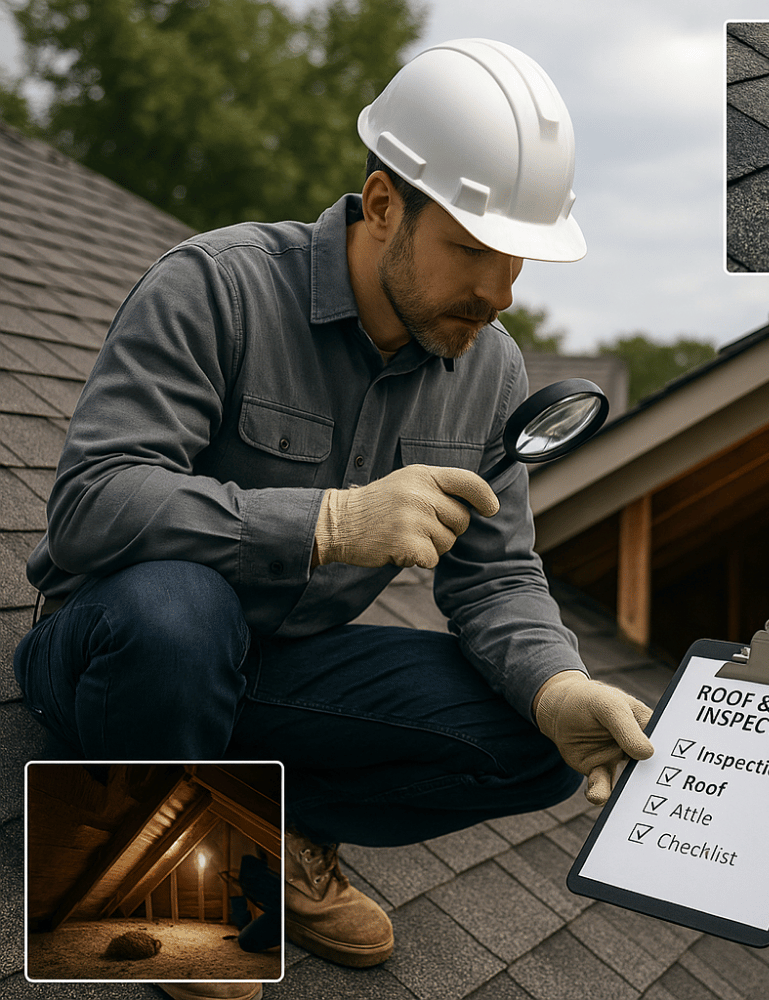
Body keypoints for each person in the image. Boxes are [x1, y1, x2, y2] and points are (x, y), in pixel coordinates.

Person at [14, 38, 654, 1000]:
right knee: (180, 613)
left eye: (518, 256)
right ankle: (163, 886)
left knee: (538, 737)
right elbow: (91, 505)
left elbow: (496, 577)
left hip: (275, 676)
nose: (500, 291)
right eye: (473, 248)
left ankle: (262, 829)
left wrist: (558, 684)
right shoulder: (218, 289)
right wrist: (325, 521)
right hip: (115, 653)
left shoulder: (491, 368)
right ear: (384, 204)